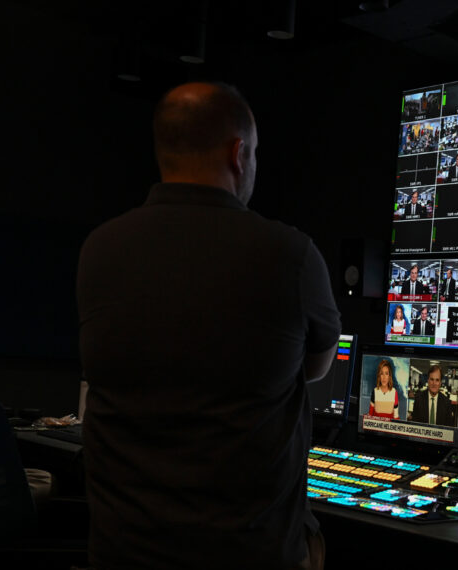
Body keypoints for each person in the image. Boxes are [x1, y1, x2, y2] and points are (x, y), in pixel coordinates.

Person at [77, 82, 340, 569]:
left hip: (123, 553)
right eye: (254, 153)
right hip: (250, 554)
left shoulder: (99, 249)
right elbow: (316, 368)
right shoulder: (291, 255)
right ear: (238, 154)